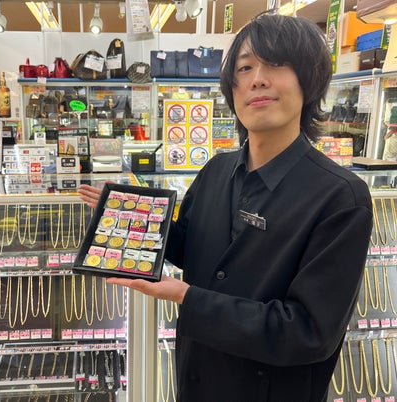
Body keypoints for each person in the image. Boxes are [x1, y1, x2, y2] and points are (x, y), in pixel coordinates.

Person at [78, 13, 373, 402]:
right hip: (196, 380)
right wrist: (129, 211)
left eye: (277, 64)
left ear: (310, 80)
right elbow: (189, 245)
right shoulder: (216, 169)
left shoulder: (340, 197)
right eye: (245, 67)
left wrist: (189, 298)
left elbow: (308, 332)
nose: (257, 79)